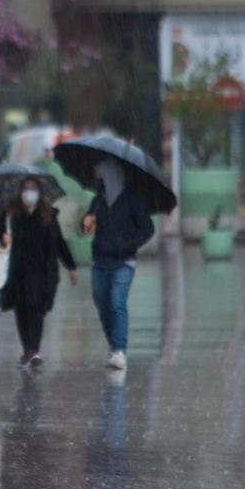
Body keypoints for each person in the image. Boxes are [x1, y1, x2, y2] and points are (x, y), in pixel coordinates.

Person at [0, 178, 78, 368]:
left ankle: (33, 350)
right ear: (21, 192)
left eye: (33, 189)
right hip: (18, 272)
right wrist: (2, 236)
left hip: (42, 272)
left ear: (39, 192)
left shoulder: (48, 215)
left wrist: (71, 266)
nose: (29, 192)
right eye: (26, 189)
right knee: (22, 312)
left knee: (36, 311)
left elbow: (59, 243)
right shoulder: (11, 212)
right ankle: (28, 350)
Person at [82, 158, 154, 371]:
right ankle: (114, 346)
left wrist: (128, 245)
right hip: (100, 261)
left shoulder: (132, 200)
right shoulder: (97, 201)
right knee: (102, 304)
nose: (99, 177)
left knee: (117, 302)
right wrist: (86, 222)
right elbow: (86, 227)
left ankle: (120, 350)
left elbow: (147, 229)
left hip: (124, 262)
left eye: (102, 173)